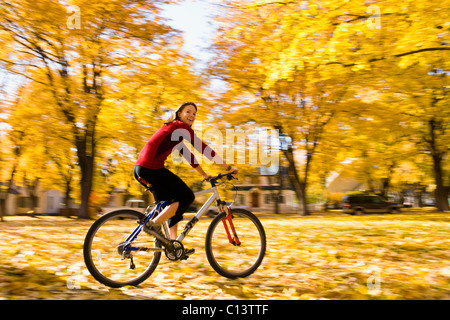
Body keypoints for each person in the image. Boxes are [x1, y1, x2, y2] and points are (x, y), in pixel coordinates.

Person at [133, 102, 238, 249]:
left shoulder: (175, 132)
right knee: (187, 197)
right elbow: (202, 148)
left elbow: (189, 157)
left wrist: (204, 174)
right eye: (188, 112)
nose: (192, 116)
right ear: (179, 113)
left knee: (172, 204)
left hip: (140, 169)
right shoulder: (179, 127)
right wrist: (228, 167)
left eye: (194, 114)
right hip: (151, 169)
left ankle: (172, 244)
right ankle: (153, 225)